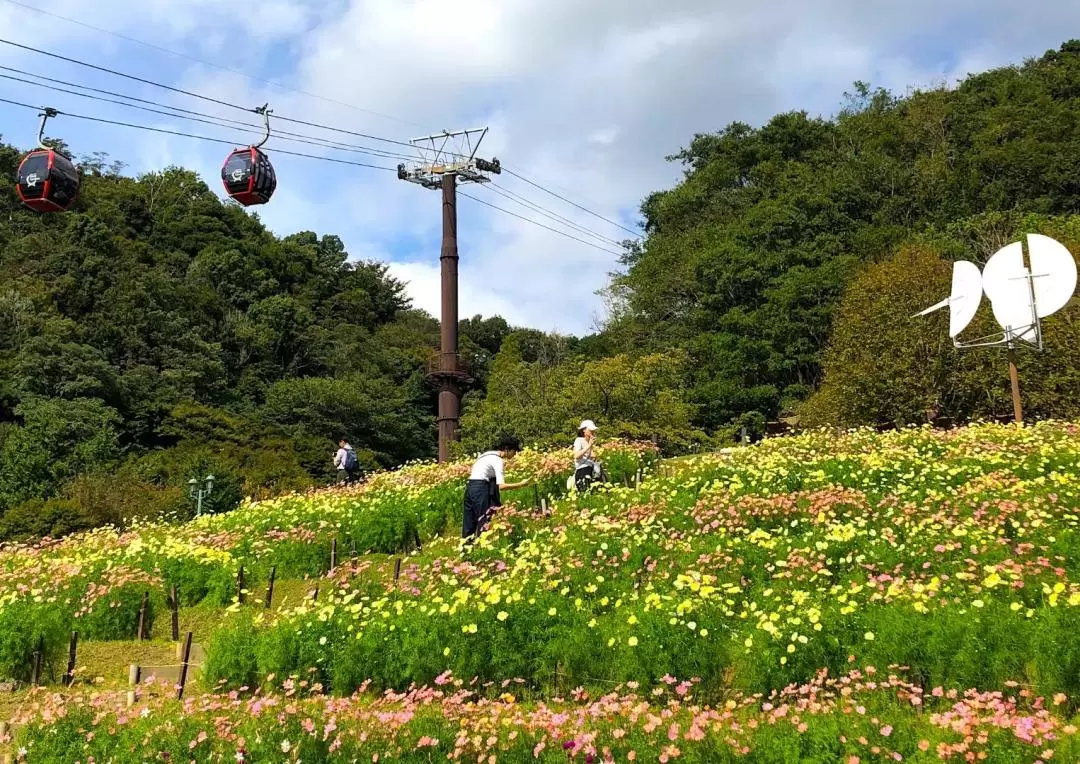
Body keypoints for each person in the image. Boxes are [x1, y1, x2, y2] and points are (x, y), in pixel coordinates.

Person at [462, 434, 529, 541]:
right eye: (514, 451)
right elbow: (501, 486)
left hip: (470, 486)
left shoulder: (486, 455)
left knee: (469, 522)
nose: (515, 454)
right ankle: (482, 548)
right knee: (483, 520)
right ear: (507, 449)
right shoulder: (498, 461)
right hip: (480, 487)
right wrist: (521, 484)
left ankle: (466, 550)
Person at [572, 420, 599, 493]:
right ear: (584, 430)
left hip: (591, 470)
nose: (593, 431)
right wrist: (589, 446)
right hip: (582, 471)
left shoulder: (589, 441)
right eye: (590, 430)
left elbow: (592, 456)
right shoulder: (579, 440)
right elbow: (576, 455)